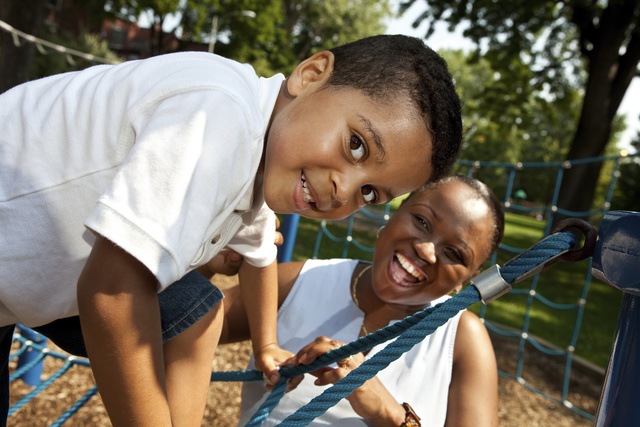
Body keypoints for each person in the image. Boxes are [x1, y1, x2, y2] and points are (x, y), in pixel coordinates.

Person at [0, 34, 462, 426]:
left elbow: (260, 253)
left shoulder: (257, 163)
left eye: (369, 195)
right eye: (356, 145)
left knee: (199, 309)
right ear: (311, 74)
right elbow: (113, 290)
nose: (343, 190)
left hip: (15, 290)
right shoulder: (220, 113)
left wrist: (266, 344)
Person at [219, 175, 504, 426]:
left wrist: (390, 415)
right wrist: (207, 263)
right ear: (394, 215)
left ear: (466, 279)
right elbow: (184, 322)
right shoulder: (303, 280)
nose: (427, 251)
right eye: (422, 221)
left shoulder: (462, 340)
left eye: (454, 253)